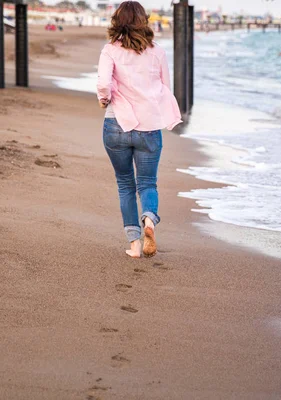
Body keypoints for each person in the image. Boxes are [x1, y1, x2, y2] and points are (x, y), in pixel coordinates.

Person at [97, 1, 182, 258]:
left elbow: (103, 84)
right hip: (148, 127)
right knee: (147, 182)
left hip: (117, 125)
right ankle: (148, 221)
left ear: (117, 21)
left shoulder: (110, 50)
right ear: (144, 21)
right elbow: (165, 88)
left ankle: (134, 245)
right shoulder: (157, 52)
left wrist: (104, 99)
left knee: (125, 184)